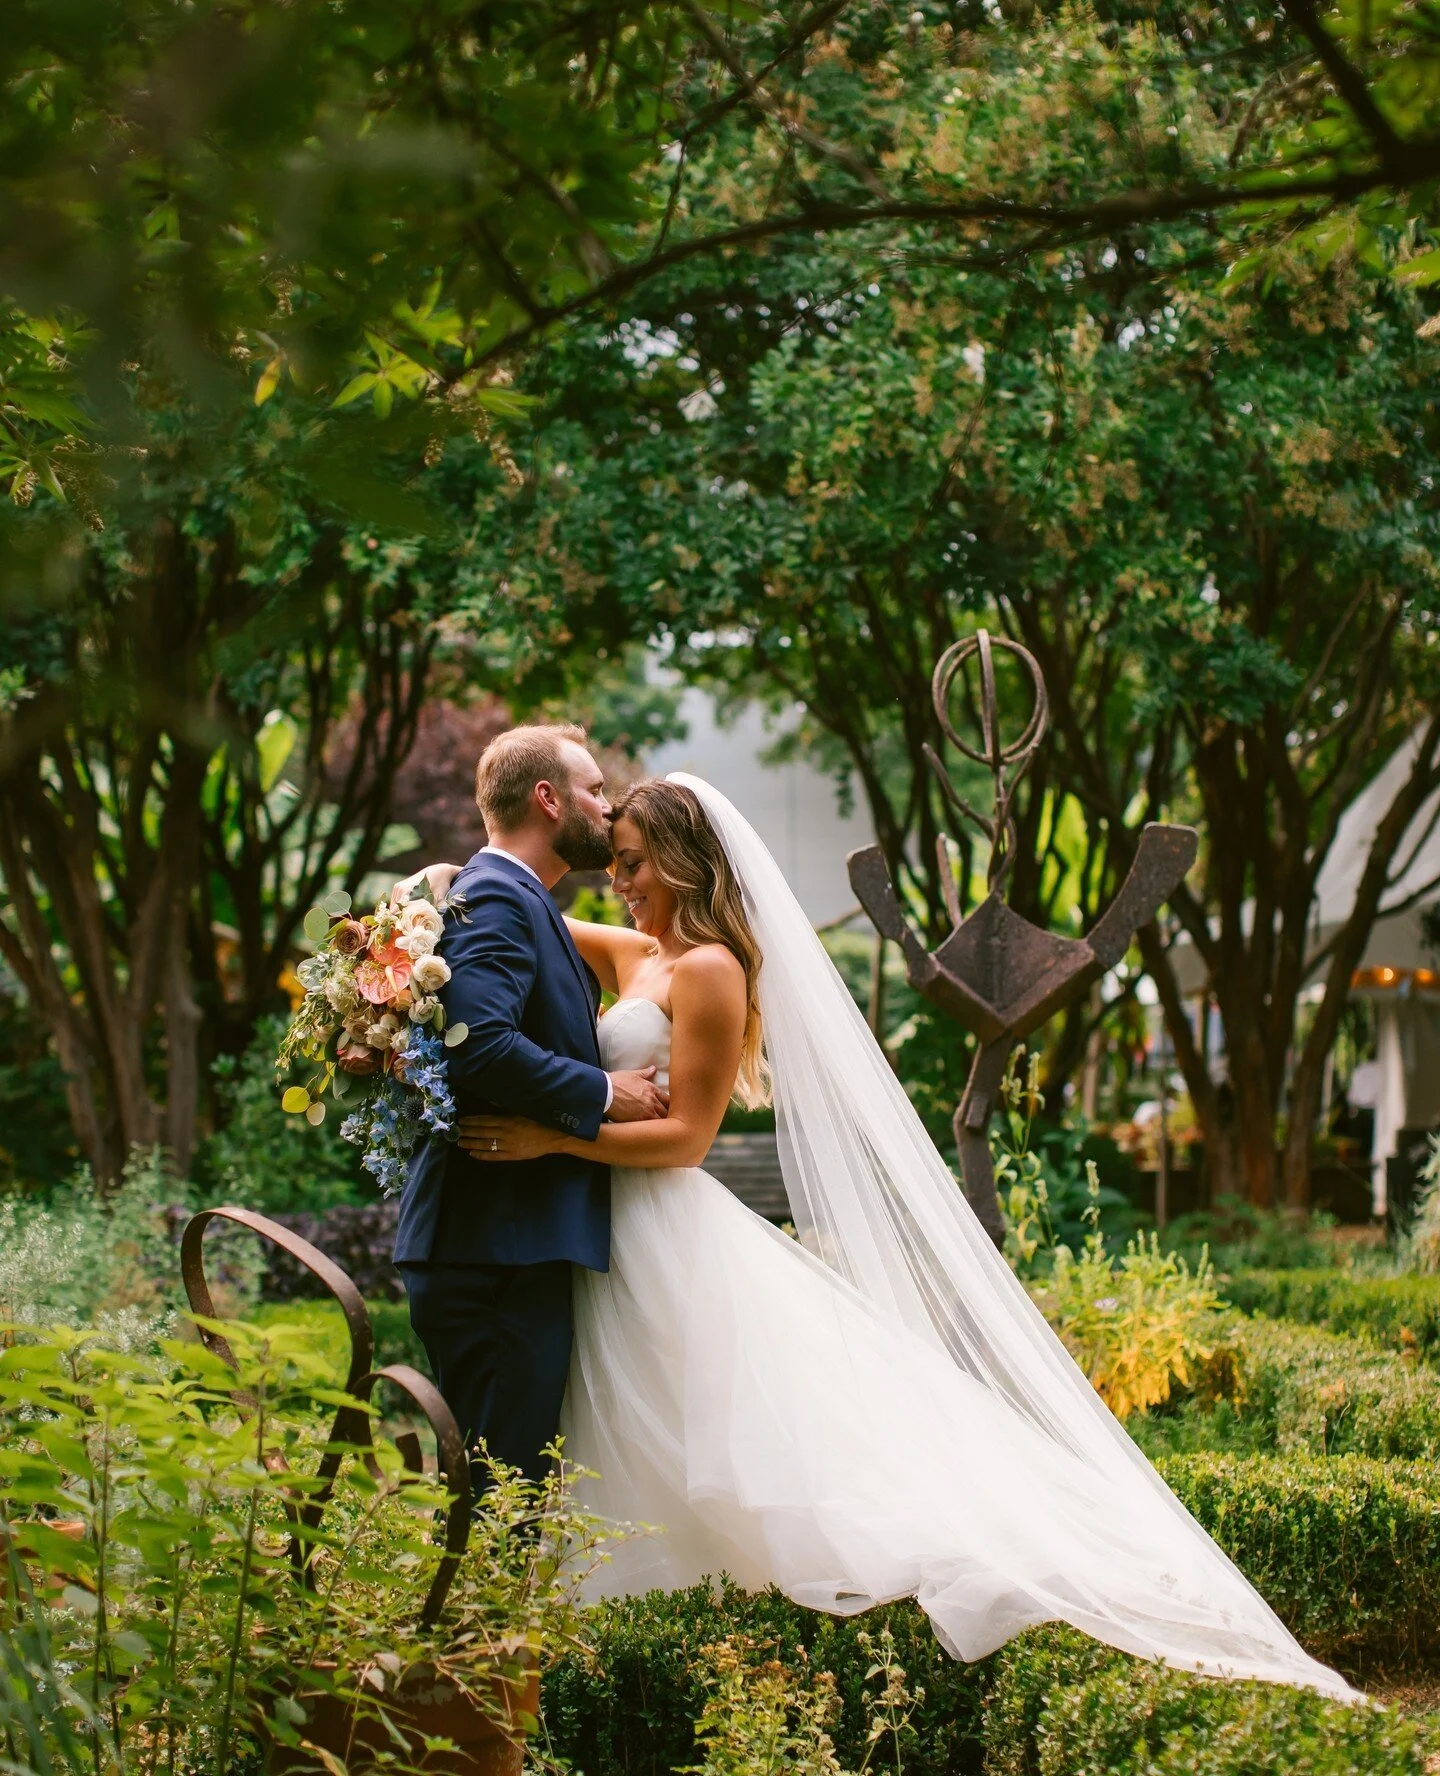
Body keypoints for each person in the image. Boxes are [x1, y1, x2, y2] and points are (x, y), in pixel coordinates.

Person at [445, 772, 1359, 1703]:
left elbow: (687, 1141)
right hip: (604, 1229)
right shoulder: (636, 951)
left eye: (634, 863)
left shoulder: (714, 968)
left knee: (726, 1437)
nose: (618, 880)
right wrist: (438, 889)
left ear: (684, 860)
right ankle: (624, 1651)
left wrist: (551, 1136)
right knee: (632, 1430)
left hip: (659, 1220)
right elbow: (515, 907)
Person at [392, 724, 668, 1485]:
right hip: (492, 1249)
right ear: (547, 798)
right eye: (595, 790)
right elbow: (475, 1044)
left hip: (507, 1242)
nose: (607, 811)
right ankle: (481, 1611)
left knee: (509, 1488)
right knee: (500, 1492)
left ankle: (488, 1608)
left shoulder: (513, 897)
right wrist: (608, 1093)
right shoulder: (500, 899)